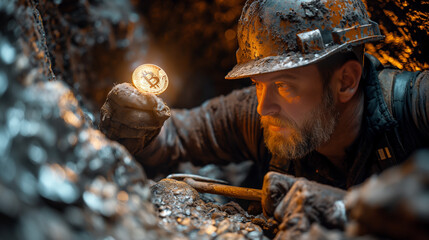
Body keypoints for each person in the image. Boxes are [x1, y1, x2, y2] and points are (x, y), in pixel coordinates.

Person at [100, 0, 428, 231]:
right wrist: (136, 125)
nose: (263, 107)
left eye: (284, 85)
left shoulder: (417, 107)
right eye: (258, 85)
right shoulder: (262, 116)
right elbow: (176, 137)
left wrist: (347, 208)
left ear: (346, 81)